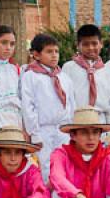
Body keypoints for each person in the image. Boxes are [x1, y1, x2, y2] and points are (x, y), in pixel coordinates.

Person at [21, 33, 75, 181]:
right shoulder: (31, 76)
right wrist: (34, 133)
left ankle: (62, 195)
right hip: (43, 129)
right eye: (49, 52)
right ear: (36, 55)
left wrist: (70, 128)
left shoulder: (63, 77)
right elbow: (28, 106)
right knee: (45, 165)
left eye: (56, 51)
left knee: (64, 163)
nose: (54, 55)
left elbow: (70, 103)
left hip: (62, 129)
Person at [61, 24, 110, 125]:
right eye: (86, 44)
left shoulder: (107, 71)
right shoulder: (68, 68)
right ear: (78, 45)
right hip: (77, 121)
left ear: (101, 44)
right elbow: (64, 99)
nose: (91, 48)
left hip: (101, 122)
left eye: (94, 43)